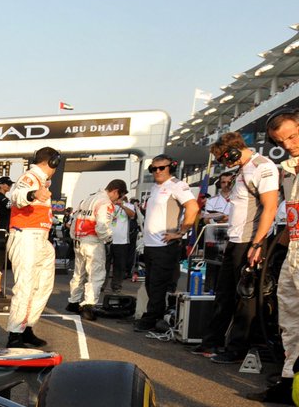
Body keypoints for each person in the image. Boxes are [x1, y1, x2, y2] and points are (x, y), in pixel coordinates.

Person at [192, 133, 277, 360]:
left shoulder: (262, 167)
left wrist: (257, 244)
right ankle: (212, 342)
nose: (223, 164)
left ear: (233, 151)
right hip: (235, 238)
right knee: (224, 293)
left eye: (223, 159)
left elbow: (269, 208)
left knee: (244, 297)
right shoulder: (242, 169)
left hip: (251, 241)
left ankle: (236, 349)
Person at [245, 111, 299, 407]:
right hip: (292, 248)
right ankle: (290, 381)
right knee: (289, 317)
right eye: (282, 141)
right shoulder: (290, 170)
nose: (289, 144)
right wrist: (269, 244)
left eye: (293, 136)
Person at [134, 154, 200, 335]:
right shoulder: (155, 187)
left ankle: (151, 318)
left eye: (161, 168)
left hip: (165, 246)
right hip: (150, 245)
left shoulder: (177, 185)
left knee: (157, 285)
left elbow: (193, 207)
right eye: (153, 169)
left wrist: (181, 232)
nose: (157, 171)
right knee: (150, 284)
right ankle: (156, 315)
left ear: (170, 167)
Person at [5, 148, 60, 347]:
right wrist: (33, 193)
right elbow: (16, 195)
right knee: (25, 286)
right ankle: (15, 334)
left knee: (43, 285)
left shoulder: (42, 180)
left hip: (41, 237)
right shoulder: (30, 177)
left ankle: (27, 327)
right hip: (26, 235)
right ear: (52, 162)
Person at [65, 180, 125, 320]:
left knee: (79, 273)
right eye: (119, 196)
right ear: (115, 191)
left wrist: (74, 237)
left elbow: (74, 221)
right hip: (93, 242)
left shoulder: (88, 199)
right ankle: (88, 306)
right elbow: (102, 226)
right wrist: (108, 239)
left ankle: (73, 302)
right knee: (96, 275)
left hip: (79, 240)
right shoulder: (105, 203)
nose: (118, 200)